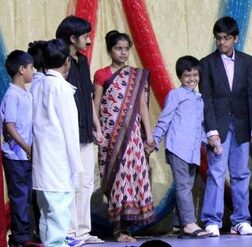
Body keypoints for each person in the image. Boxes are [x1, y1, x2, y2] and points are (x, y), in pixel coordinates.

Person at [200, 17, 252, 236]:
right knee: (217, 172)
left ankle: (240, 220)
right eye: (218, 38)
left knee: (241, 174)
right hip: (219, 126)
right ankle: (212, 220)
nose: (222, 42)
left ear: (235, 38)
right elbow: (206, 99)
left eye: (226, 38)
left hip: (242, 125)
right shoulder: (206, 63)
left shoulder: (247, 61)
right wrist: (211, 130)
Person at [93, 31, 155, 242]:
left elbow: (142, 108)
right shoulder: (101, 75)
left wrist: (149, 135)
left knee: (132, 178)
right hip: (110, 135)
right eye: (119, 48)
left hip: (133, 136)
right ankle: (118, 230)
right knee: (116, 178)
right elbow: (97, 104)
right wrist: (97, 130)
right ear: (110, 50)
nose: (123, 52)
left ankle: (125, 229)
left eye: (126, 49)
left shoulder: (137, 75)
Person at [55, 16, 105, 245]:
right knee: (72, 182)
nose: (88, 40)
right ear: (72, 38)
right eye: (85, 36)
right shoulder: (59, 62)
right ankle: (70, 231)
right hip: (69, 133)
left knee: (86, 182)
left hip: (86, 130)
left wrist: (97, 126)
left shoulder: (82, 62)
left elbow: (88, 96)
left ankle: (84, 231)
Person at [152, 56, 211, 238]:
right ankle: (189, 223)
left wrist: (209, 142)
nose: (192, 79)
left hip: (192, 150)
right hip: (178, 147)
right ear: (180, 77)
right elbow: (166, 118)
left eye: (195, 75)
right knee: (184, 186)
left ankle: (179, 223)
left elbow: (199, 125)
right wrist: (155, 139)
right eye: (187, 75)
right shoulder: (176, 95)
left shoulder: (199, 98)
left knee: (187, 186)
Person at [31, 39, 82, 247]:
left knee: (46, 213)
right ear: (67, 61)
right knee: (59, 214)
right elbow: (70, 130)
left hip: (41, 160)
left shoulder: (38, 84)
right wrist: (76, 165)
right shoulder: (61, 88)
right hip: (58, 161)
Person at [2, 50, 40, 247]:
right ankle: (19, 238)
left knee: (29, 197)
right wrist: (26, 146)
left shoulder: (26, 93)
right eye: (31, 68)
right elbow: (10, 125)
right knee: (19, 197)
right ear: (21, 70)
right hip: (15, 156)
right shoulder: (12, 95)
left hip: (26, 156)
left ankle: (29, 234)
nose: (33, 72)